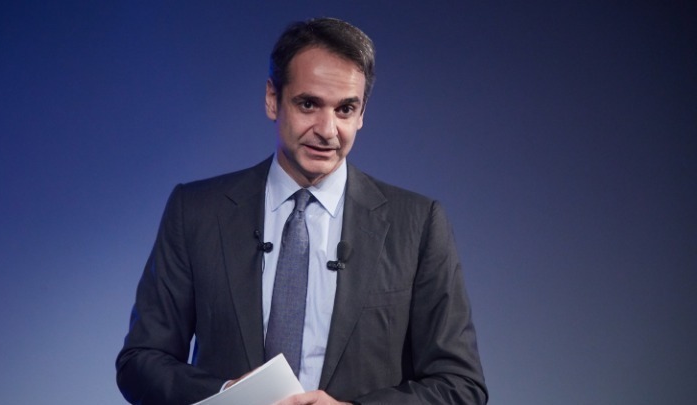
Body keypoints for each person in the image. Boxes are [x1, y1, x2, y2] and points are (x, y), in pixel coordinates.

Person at [116, 17, 488, 405]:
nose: (327, 130)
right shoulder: (195, 211)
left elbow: (460, 385)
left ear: (362, 113)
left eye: (345, 109)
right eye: (308, 104)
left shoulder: (418, 224)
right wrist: (230, 397)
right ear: (272, 99)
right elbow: (140, 362)